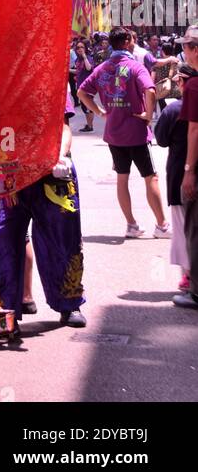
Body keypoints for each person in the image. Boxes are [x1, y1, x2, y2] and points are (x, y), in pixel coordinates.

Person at [0, 89, 86, 330]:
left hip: (51, 174)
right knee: (3, 238)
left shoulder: (51, 78)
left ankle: (69, 304)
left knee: (62, 239)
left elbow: (63, 127)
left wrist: (60, 156)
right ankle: (5, 308)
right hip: (10, 176)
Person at [78, 27, 170, 238]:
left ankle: (131, 225)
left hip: (114, 134)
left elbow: (82, 92)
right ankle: (162, 225)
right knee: (151, 177)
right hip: (136, 133)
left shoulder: (102, 68)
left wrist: (100, 112)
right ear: (128, 41)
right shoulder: (135, 67)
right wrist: (148, 115)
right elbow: (150, 90)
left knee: (122, 178)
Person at [154, 65, 193, 293]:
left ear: (180, 82)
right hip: (186, 171)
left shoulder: (174, 110)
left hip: (180, 173)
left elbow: (161, 139)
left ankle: (188, 276)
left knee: (181, 227)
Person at [174, 26, 198, 310]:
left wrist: (189, 170)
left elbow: (194, 129)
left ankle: (196, 291)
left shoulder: (193, 86)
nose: (186, 52)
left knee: (194, 227)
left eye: (188, 47)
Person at [74, 41, 94, 131]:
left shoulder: (88, 58)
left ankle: (90, 126)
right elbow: (78, 71)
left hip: (87, 86)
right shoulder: (77, 60)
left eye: (82, 47)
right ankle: (89, 125)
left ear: (85, 48)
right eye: (78, 47)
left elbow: (89, 68)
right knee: (83, 106)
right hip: (80, 85)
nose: (80, 49)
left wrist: (85, 56)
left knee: (88, 105)